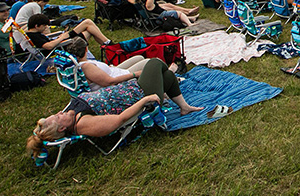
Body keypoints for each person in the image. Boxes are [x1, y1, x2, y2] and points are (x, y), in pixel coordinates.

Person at [26, 58, 212, 160]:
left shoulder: (72, 113)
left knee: (166, 76)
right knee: (154, 63)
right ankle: (170, 77)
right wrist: (145, 100)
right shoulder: (84, 124)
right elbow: (119, 119)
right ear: (61, 129)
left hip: (132, 88)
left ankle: (183, 105)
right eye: (58, 117)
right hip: (140, 95)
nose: (60, 113)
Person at [24, 14, 112, 51]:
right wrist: (61, 38)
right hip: (64, 46)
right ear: (36, 26)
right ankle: (110, 45)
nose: (45, 28)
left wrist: (60, 36)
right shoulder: (33, 36)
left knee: (88, 24)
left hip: (61, 42)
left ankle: (108, 45)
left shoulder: (31, 33)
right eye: (44, 26)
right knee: (89, 27)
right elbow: (48, 46)